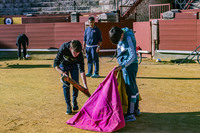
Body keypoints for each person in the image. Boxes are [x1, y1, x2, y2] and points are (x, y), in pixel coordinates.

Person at [109, 26, 141, 122]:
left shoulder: (128, 37)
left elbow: (133, 56)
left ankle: (131, 114)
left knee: (130, 88)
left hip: (129, 66)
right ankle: (136, 109)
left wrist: (123, 65)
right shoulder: (120, 33)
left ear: (121, 35)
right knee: (133, 86)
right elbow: (120, 50)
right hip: (126, 65)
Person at [54, 40, 88, 115]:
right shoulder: (64, 47)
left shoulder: (79, 54)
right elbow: (55, 65)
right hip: (63, 65)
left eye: (78, 53)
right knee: (66, 85)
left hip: (74, 66)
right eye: (75, 53)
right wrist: (62, 73)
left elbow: (82, 70)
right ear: (70, 49)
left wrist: (85, 86)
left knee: (76, 83)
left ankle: (74, 100)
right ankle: (68, 105)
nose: (76, 55)